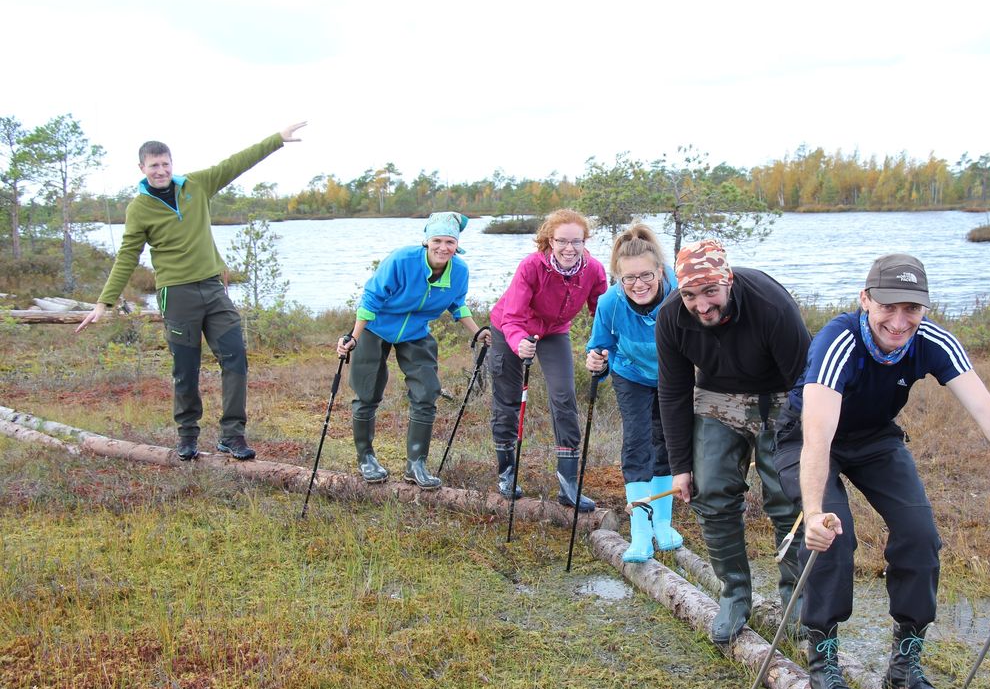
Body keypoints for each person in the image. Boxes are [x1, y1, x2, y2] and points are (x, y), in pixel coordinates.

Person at [775, 253, 990, 689]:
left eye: (912, 309)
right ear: (865, 300)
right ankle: (823, 659)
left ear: (924, 308)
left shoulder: (934, 340)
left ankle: (905, 666)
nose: (899, 322)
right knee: (835, 538)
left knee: (921, 535)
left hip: (875, 438)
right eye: (887, 307)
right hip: (807, 438)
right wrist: (816, 511)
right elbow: (818, 436)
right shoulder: (836, 341)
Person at [76, 122, 307, 461]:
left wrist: (276, 140)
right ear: (142, 168)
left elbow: (235, 163)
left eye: (165, 163)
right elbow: (128, 254)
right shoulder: (139, 208)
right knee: (186, 368)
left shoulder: (196, 186)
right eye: (154, 165)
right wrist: (104, 302)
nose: (161, 170)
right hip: (177, 294)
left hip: (213, 290)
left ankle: (232, 435)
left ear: (172, 163)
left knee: (235, 357)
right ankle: (187, 436)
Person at [656, 239, 812, 644]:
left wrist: (808, 453)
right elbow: (673, 390)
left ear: (728, 281)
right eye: (690, 294)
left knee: (788, 496)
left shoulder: (771, 305)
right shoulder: (672, 316)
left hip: (781, 398)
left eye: (711, 292)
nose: (702, 305)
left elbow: (805, 381)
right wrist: (679, 466)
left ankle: (796, 600)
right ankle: (735, 595)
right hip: (714, 400)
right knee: (711, 491)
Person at [335, 212, 489, 489]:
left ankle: (416, 465)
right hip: (375, 328)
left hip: (416, 332)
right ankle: (366, 458)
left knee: (426, 392)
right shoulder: (402, 260)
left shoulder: (460, 271)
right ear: (426, 241)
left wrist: (477, 331)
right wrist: (353, 337)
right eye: (438, 240)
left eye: (450, 242)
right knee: (367, 391)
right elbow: (371, 297)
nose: (443, 247)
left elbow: (457, 304)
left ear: (457, 245)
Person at [489, 209, 607, 509]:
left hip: (554, 331)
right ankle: (507, 473)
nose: (570, 248)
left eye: (576, 242)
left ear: (585, 242)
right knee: (508, 399)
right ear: (548, 241)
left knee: (564, 396)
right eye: (562, 241)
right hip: (510, 329)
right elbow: (513, 317)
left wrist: (602, 347)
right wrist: (518, 343)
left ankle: (568, 485)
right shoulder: (531, 266)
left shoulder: (593, 269)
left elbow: (602, 316)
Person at [585, 223, 681, 562]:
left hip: (673, 376)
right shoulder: (610, 302)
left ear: (660, 271)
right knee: (637, 442)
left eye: (646, 276)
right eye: (629, 279)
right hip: (632, 374)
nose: (638, 285)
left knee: (668, 441)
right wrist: (595, 359)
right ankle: (640, 534)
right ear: (618, 278)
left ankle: (663, 526)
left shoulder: (679, 296)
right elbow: (600, 345)